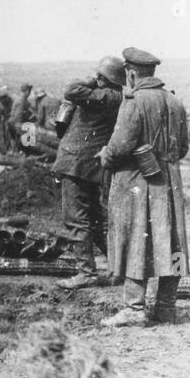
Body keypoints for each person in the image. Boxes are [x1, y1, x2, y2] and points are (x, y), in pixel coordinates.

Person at [98, 48, 190, 326]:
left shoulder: (134, 101)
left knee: (137, 239)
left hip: (140, 181)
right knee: (171, 241)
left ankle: (134, 309)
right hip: (170, 181)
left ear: (131, 73)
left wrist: (105, 155)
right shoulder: (175, 102)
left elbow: (120, 146)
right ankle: (166, 308)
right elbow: (183, 148)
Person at [54, 56, 125, 291]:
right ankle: (118, 268)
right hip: (88, 166)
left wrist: (91, 80)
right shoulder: (114, 96)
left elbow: (70, 89)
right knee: (95, 221)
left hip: (77, 164)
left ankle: (86, 273)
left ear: (104, 78)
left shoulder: (107, 96)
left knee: (76, 219)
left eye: (99, 75)